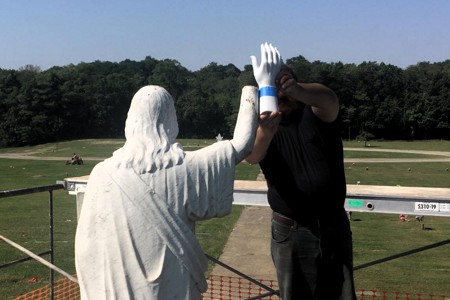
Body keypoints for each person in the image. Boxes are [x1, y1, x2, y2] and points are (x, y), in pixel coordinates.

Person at [75, 84, 261, 300]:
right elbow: (242, 145)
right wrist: (253, 91)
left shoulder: (101, 174)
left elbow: (86, 250)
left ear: (130, 120)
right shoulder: (185, 168)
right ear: (171, 120)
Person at [246, 44, 357, 299]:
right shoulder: (262, 124)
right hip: (290, 228)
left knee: (341, 294)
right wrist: (266, 130)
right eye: (276, 90)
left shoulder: (315, 113)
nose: (282, 97)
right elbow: (252, 155)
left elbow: (329, 99)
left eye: (285, 88)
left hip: (332, 224)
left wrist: (295, 88)